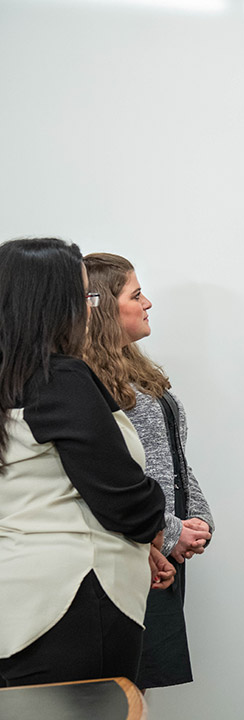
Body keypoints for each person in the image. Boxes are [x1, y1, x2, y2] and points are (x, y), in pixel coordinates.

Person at [0, 237, 171, 687]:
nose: (88, 307)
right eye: (85, 295)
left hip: (16, 603)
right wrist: (155, 515)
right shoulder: (61, 379)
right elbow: (127, 504)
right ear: (55, 303)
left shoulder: (14, 379)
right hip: (76, 601)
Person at [83, 252, 215, 690]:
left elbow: (174, 455)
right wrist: (167, 531)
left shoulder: (137, 369)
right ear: (101, 307)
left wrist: (196, 518)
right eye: (136, 295)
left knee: (138, 689)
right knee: (116, 692)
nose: (148, 303)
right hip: (131, 550)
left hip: (162, 547)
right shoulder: (84, 382)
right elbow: (109, 481)